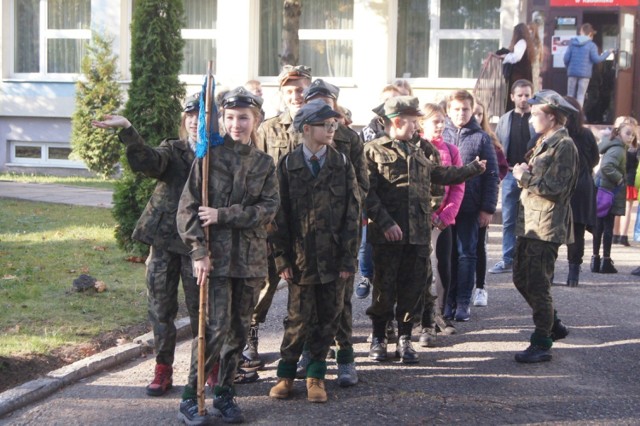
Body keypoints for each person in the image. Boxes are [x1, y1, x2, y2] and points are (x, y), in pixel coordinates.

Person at [176, 87, 279, 424]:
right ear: (221, 119)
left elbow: (268, 209)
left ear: (256, 120)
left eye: (244, 117)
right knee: (214, 329)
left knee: (237, 329)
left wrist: (224, 215)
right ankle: (191, 397)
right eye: (230, 117)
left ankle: (225, 393)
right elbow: (188, 210)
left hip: (249, 262)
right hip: (215, 261)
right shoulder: (208, 159)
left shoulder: (265, 164)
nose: (237, 124)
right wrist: (198, 251)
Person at [91, 95, 203, 398]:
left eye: (202, 114)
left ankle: (204, 369)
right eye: (190, 114)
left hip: (199, 247)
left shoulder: (220, 155)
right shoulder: (173, 148)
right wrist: (127, 129)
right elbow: (148, 162)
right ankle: (163, 368)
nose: (194, 120)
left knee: (201, 312)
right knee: (160, 309)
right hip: (165, 241)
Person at [365, 95, 486, 363]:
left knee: (412, 288)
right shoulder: (372, 150)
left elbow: (439, 174)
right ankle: (379, 338)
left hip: (417, 234)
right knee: (384, 289)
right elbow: (366, 193)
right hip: (388, 236)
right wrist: (385, 223)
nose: (416, 127)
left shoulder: (419, 150)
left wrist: (471, 169)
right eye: (411, 122)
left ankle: (406, 339)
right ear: (396, 121)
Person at [268, 100, 360, 403]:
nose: (331, 129)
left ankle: (316, 377)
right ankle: (285, 375)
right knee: (297, 320)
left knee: (328, 319)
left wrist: (349, 258)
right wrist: (282, 257)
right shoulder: (288, 164)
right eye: (324, 125)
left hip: (334, 259)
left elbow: (352, 212)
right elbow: (278, 216)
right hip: (301, 259)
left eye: (333, 124)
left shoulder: (341, 163)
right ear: (306, 129)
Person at [294, 78, 369, 387]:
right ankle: (311, 355)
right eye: (317, 104)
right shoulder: (299, 135)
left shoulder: (349, 139)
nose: (324, 110)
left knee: (342, 299)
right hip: (306, 233)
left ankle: (346, 358)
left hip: (340, 231)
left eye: (329, 104)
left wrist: (344, 211)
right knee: (308, 298)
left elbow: (362, 185)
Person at [243, 65, 312, 369]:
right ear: (281, 95)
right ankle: (250, 336)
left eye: (301, 89)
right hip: (274, 221)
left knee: (306, 287)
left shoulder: (321, 126)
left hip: (310, 224)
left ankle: (301, 344)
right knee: (265, 283)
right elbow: (254, 173)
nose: (296, 95)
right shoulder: (267, 130)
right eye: (289, 91)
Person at [511, 89, 578, 363]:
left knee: (538, 283)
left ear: (552, 117)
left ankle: (542, 341)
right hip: (530, 222)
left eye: (536, 113)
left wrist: (523, 177)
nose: (531, 118)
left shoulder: (564, 146)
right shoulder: (545, 141)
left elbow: (556, 188)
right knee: (520, 278)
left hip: (546, 225)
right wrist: (524, 174)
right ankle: (553, 323)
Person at [443, 90, 499, 323]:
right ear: (448, 110)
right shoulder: (442, 135)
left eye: (465, 109)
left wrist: (487, 208)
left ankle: (463, 301)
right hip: (445, 208)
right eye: (456, 109)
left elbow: (492, 175)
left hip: (469, 207)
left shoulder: (481, 138)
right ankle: (448, 300)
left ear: (472, 110)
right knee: (447, 257)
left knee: (467, 254)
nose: (460, 113)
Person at [418, 103, 465, 343]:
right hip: (418, 218)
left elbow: (458, 185)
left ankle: (440, 314)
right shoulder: (416, 148)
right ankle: (420, 317)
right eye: (435, 121)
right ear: (422, 123)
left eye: (442, 121)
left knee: (442, 268)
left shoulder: (451, 149)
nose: (440, 125)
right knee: (419, 268)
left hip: (443, 220)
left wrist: (446, 215)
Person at [489, 80, 536, 275]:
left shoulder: (537, 118)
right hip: (509, 174)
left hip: (532, 175)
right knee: (508, 219)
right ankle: (507, 258)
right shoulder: (505, 119)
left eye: (527, 95)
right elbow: (498, 146)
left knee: (531, 220)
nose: (524, 99)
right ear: (512, 97)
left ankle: (527, 261)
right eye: (520, 95)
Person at [472, 99, 508, 307]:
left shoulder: (490, 140)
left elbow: (500, 168)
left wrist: (490, 186)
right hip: (460, 200)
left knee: (479, 246)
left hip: (480, 200)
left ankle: (480, 287)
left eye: (479, 114)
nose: (475, 118)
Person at [563, 96, 599, 287]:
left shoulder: (558, 135)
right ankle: (573, 275)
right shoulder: (586, 134)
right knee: (577, 231)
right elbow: (594, 158)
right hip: (583, 185)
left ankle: (550, 273)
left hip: (564, 185)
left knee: (554, 229)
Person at [592, 120, 634, 274]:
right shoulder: (618, 149)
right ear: (619, 133)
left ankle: (596, 260)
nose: (630, 137)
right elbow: (607, 166)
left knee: (599, 226)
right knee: (607, 227)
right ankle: (605, 261)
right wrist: (620, 179)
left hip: (603, 190)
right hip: (609, 191)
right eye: (627, 133)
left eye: (632, 134)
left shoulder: (614, 146)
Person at [563, 23, 614, 107]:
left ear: (581, 32)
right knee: (580, 96)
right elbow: (596, 59)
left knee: (570, 95)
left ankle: (568, 115)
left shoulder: (572, 43)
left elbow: (566, 58)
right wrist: (607, 53)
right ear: (590, 34)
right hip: (585, 74)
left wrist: (568, 68)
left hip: (572, 72)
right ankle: (578, 116)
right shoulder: (591, 45)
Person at [612, 117, 639, 246]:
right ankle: (620, 235)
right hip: (628, 180)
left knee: (621, 207)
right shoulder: (634, 147)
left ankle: (618, 235)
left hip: (624, 179)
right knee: (624, 208)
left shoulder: (622, 145)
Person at [502, 23, 534, 112]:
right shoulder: (526, 42)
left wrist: (505, 57)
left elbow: (516, 57)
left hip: (519, 74)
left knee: (517, 92)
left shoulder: (521, 42)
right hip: (523, 73)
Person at [528, 21, 543, 93]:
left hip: (533, 64)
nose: (529, 31)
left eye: (530, 29)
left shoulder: (532, 41)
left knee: (533, 82)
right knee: (534, 83)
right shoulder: (538, 41)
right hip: (535, 64)